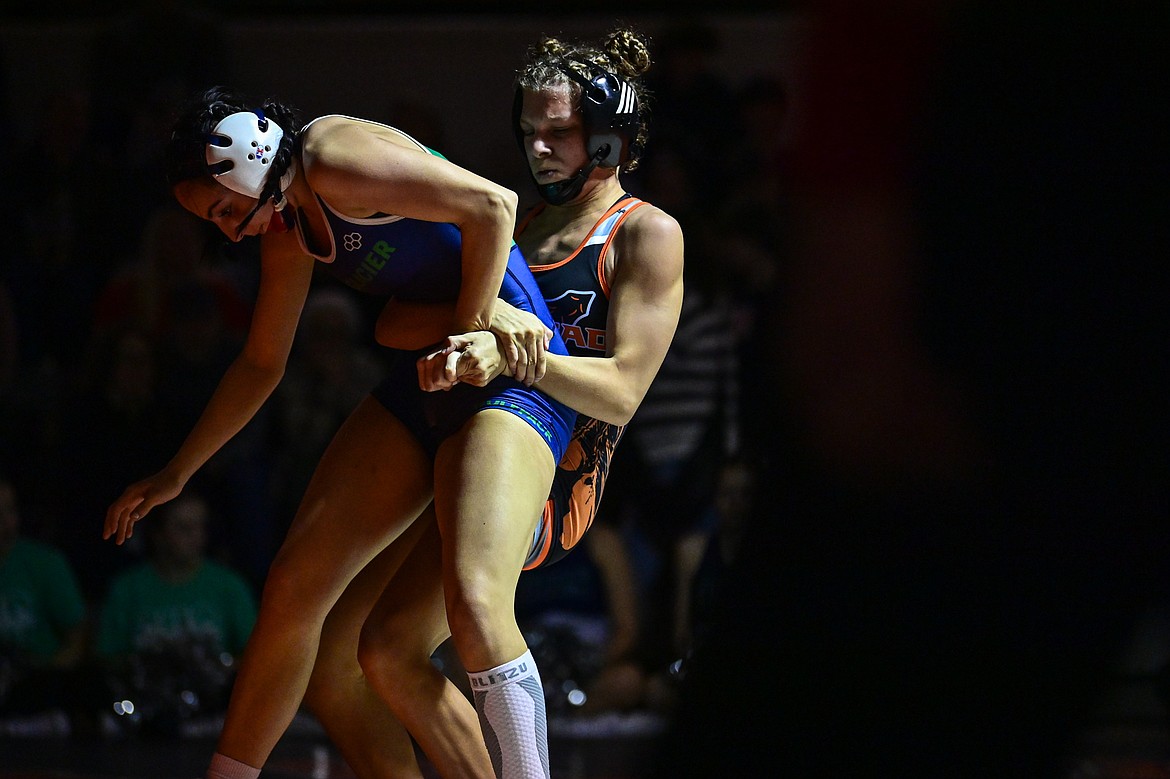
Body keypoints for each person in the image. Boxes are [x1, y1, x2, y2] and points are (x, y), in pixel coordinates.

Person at [102, 86, 578, 779]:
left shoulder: (331, 156)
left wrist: (476, 318)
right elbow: (263, 362)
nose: (231, 231)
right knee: (300, 592)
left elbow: (493, 204)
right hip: (436, 369)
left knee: (470, 602)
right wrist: (179, 470)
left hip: (510, 372)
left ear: (249, 154)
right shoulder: (292, 227)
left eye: (226, 209)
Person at [298, 26, 684, 779]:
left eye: (561, 134)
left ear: (609, 140)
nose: (538, 150)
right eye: (530, 132)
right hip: (467, 437)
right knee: (379, 651)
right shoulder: (512, 221)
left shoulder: (645, 235)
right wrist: (467, 322)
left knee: (474, 607)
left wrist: (508, 346)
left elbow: (625, 389)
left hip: (557, 468)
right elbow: (401, 322)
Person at [96, 491, 256, 734]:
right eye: (184, 528)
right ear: (157, 535)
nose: (197, 538)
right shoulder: (128, 588)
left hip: (212, 713)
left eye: (200, 527)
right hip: (144, 710)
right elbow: (107, 657)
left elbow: (254, 656)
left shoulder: (228, 586)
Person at [0, 476, 88, 723]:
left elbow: (77, 637)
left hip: (32, 698)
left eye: (10, 509)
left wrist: (43, 676)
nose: (6, 521)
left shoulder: (45, 563)